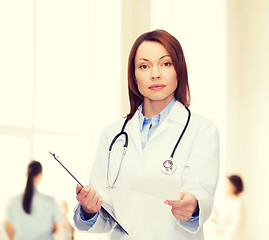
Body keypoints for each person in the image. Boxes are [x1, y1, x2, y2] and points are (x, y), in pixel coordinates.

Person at [73, 29, 220, 240]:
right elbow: (106, 214)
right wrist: (89, 210)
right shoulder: (112, 135)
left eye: (165, 63)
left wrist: (193, 206)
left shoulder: (202, 130)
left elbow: (201, 195)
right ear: (134, 76)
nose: (155, 74)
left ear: (179, 69)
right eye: (144, 66)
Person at [5, 160, 63, 240]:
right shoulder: (50, 201)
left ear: (26, 175)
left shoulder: (13, 201)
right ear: (41, 175)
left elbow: (8, 226)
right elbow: (57, 229)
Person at [209, 175, 245, 240]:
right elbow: (223, 218)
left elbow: (236, 226)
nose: (224, 186)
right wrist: (215, 219)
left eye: (227, 184)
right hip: (221, 236)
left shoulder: (238, 203)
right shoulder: (227, 200)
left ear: (234, 186)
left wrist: (222, 231)